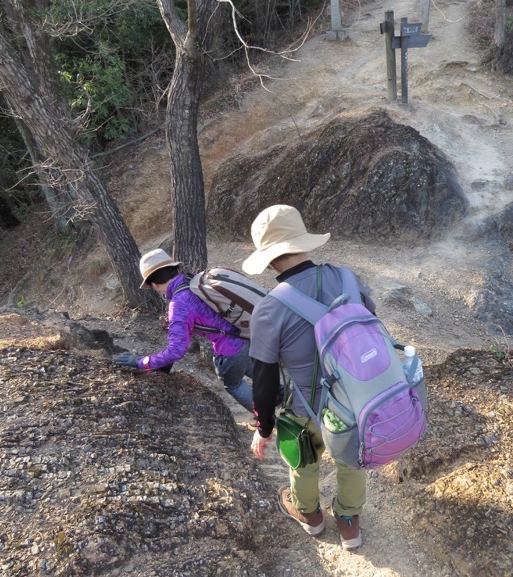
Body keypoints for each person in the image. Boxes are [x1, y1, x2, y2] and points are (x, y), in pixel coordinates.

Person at [243, 205, 376, 550]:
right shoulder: (347, 277)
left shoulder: (269, 309)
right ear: (304, 243)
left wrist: (264, 427)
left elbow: (264, 378)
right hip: (356, 393)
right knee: (352, 455)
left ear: (270, 260)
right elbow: (370, 327)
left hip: (306, 400)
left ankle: (310, 516)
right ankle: (349, 522)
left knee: (302, 453)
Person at [112, 249, 255, 412]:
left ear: (155, 284)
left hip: (230, 348)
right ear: (176, 269)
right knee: (259, 374)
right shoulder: (194, 280)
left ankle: (268, 419)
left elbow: (176, 350)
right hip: (246, 333)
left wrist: (140, 362)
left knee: (233, 384)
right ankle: (289, 406)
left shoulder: (179, 304)